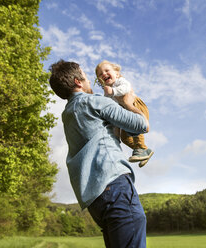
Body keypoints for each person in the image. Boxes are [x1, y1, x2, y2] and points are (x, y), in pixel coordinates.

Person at [49, 60, 148, 248]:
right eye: (86, 77)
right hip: (114, 185)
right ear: (78, 82)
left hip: (95, 198)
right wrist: (128, 103)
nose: (89, 81)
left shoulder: (68, 114)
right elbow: (141, 124)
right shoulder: (93, 101)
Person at [95, 60, 153, 168]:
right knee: (125, 138)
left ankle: (140, 148)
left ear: (116, 73)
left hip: (135, 105)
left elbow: (125, 88)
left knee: (135, 129)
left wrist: (112, 91)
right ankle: (143, 149)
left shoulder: (120, 81)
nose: (104, 74)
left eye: (107, 70)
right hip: (124, 113)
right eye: (100, 74)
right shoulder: (106, 94)